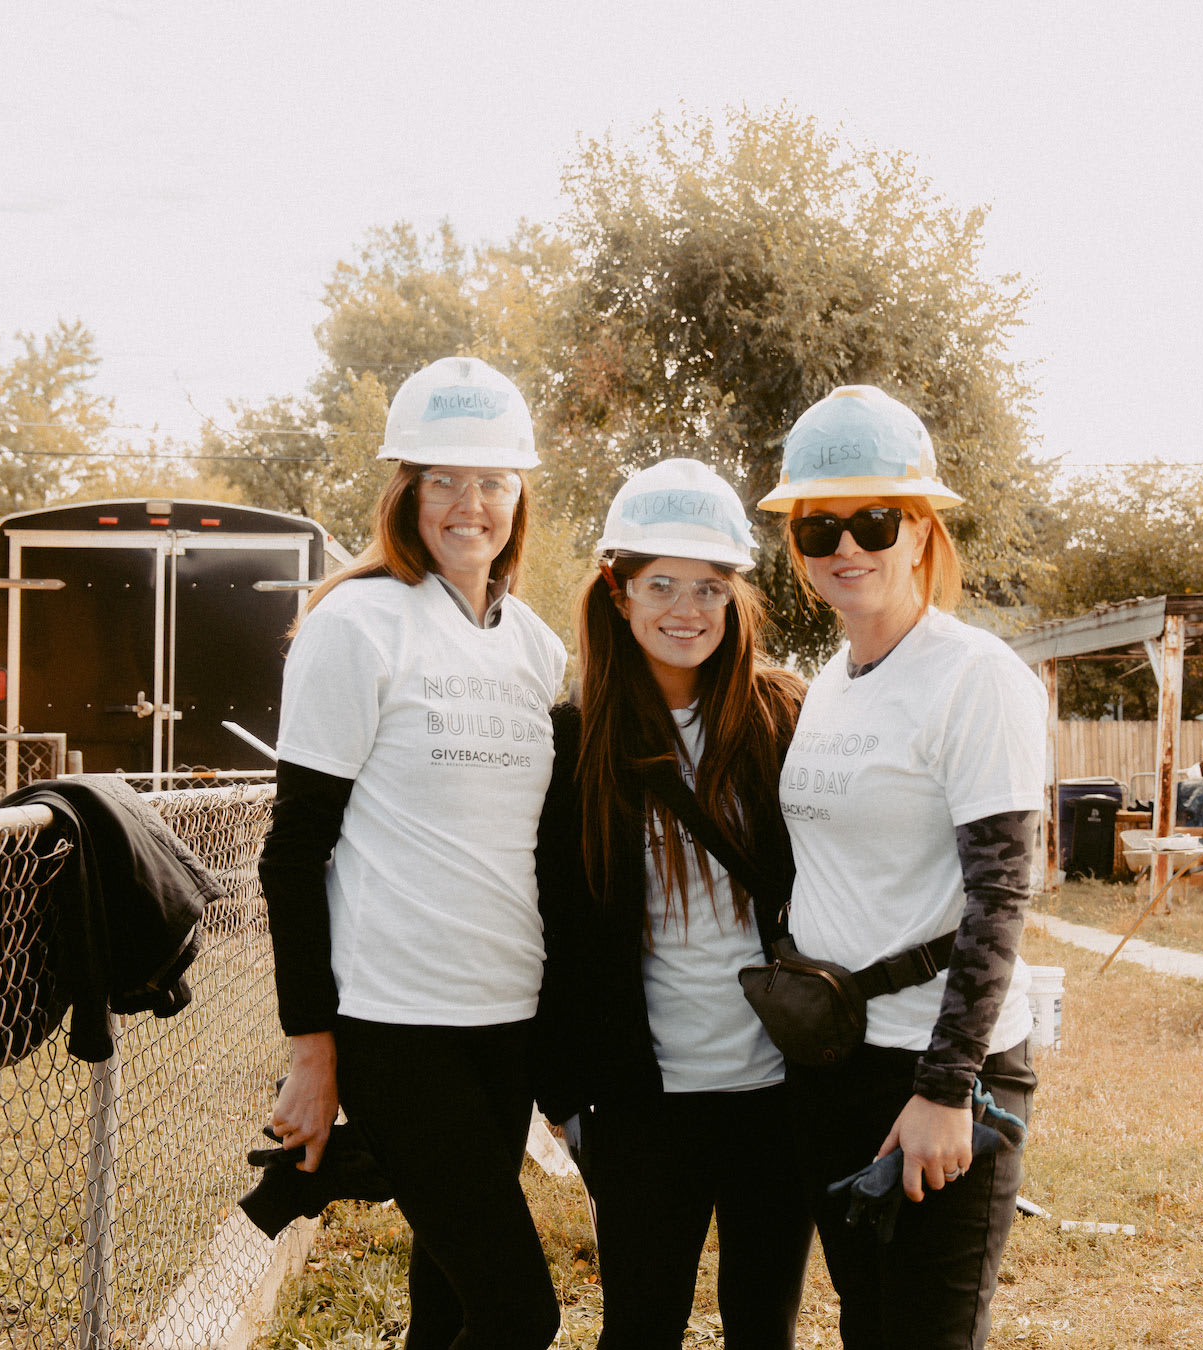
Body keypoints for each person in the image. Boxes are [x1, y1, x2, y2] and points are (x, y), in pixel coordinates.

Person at [257, 356, 567, 1350]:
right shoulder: (357, 624)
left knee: (453, 1304)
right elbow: (294, 851)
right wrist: (314, 1051)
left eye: (492, 482)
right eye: (444, 480)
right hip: (399, 1027)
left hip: (506, 1022)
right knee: (521, 1312)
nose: (469, 504)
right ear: (406, 492)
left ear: (520, 497)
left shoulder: (535, 647)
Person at [756, 386, 1046, 1350]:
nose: (846, 546)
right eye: (819, 526)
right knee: (867, 1325)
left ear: (921, 532)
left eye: (874, 520)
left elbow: (1001, 892)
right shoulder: (831, 684)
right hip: (833, 1061)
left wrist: (946, 1088)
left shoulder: (975, 677)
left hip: (936, 1067)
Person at [535, 459, 813, 1350]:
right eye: (662, 585)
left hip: (777, 1089)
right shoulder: (573, 742)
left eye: (710, 586)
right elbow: (553, 923)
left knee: (762, 1324)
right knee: (641, 1325)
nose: (686, 609)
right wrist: (566, 1088)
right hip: (642, 1100)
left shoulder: (784, 719)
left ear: (734, 600)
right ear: (618, 593)